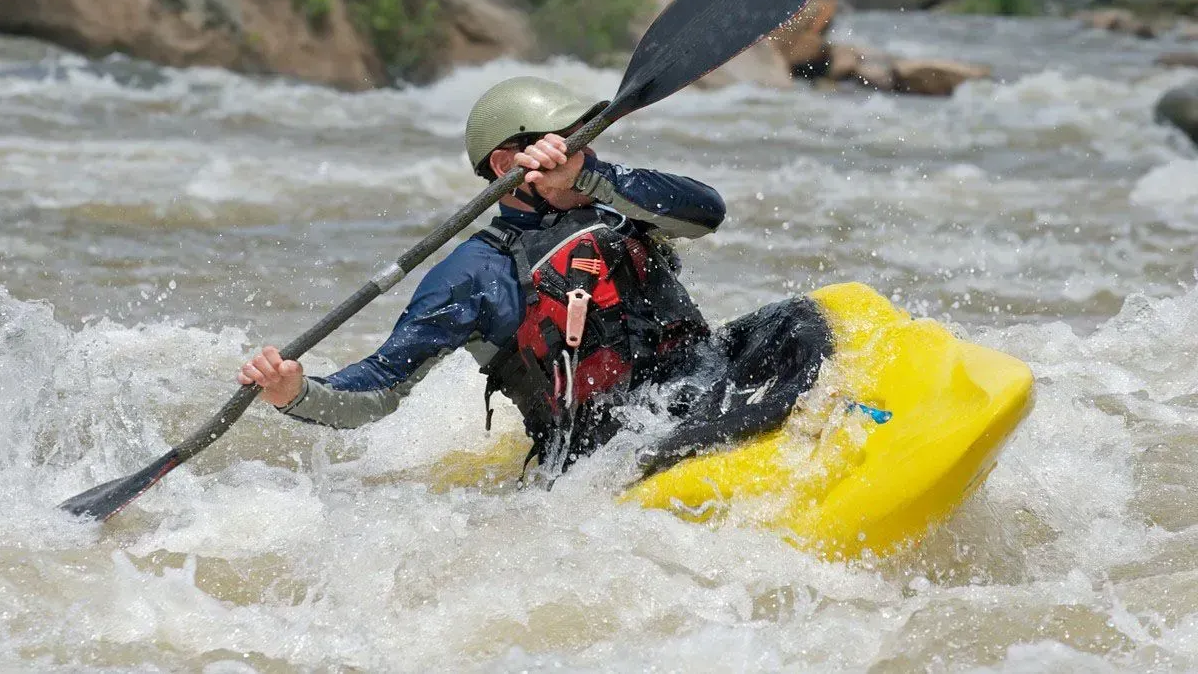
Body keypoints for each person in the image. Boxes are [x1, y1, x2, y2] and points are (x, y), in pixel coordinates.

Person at [239, 76, 833, 480]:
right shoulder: (475, 274)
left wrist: (595, 177)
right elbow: (381, 389)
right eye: (568, 142)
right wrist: (296, 392)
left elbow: (708, 213)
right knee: (681, 423)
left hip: (696, 380)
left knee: (800, 319)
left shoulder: (617, 202)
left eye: (585, 141)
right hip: (609, 447)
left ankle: (803, 417)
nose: (585, 154)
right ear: (507, 164)